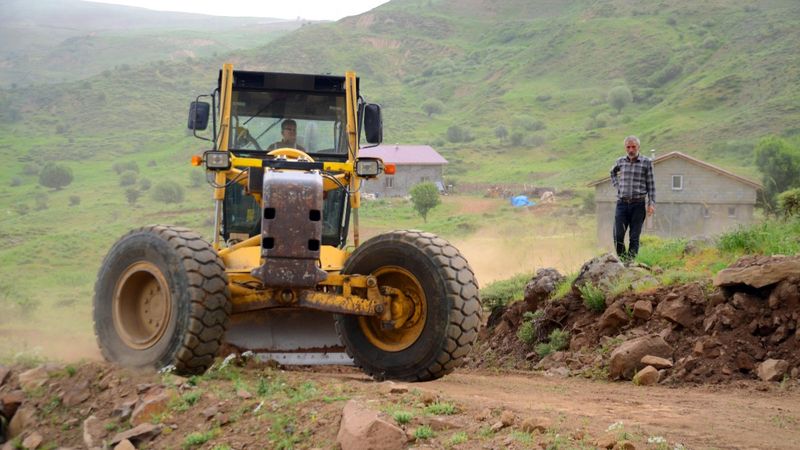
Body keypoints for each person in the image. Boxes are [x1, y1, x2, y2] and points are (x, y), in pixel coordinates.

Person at [610, 135, 655, 262]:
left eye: (633, 147)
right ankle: (623, 260)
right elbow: (612, 172)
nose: (631, 150)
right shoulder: (620, 161)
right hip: (622, 204)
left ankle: (630, 263)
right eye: (628, 147)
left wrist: (651, 203)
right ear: (625, 148)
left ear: (638, 147)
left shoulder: (646, 162)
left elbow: (651, 185)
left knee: (634, 237)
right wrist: (617, 185)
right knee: (618, 236)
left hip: (638, 205)